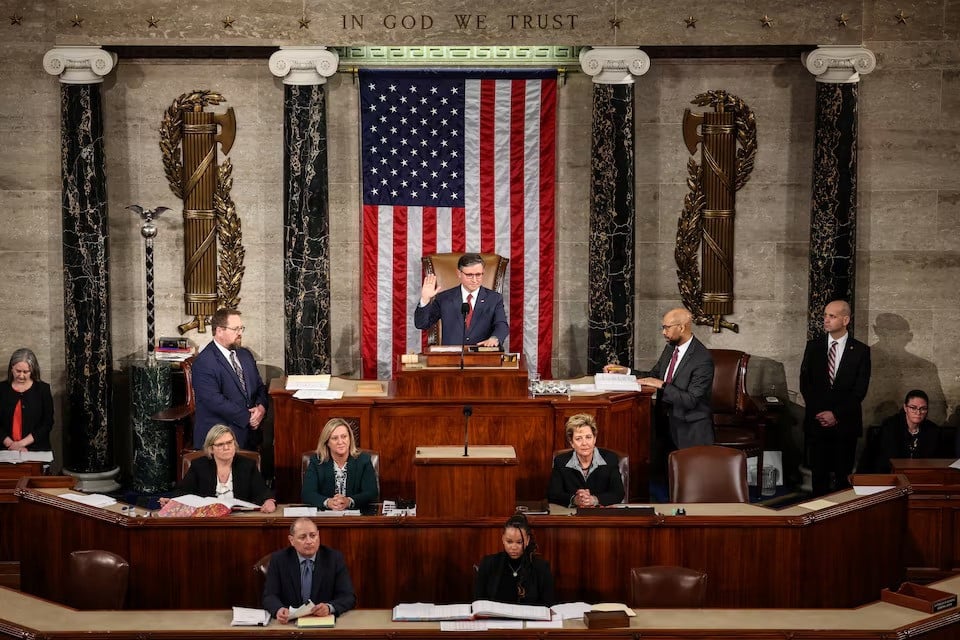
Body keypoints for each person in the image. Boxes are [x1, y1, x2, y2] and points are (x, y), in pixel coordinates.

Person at [800, 299, 871, 496]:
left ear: (845, 319)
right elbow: (805, 384)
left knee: (843, 480)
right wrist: (821, 414)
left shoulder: (860, 351)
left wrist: (836, 414)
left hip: (845, 425)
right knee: (818, 478)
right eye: (825, 315)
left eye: (832, 316)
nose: (826, 320)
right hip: (817, 423)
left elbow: (859, 390)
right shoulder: (813, 347)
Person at [191, 308, 269, 450]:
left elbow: (259, 387)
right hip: (219, 437)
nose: (240, 333)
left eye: (241, 328)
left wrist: (261, 409)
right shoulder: (204, 362)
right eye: (235, 329)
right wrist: (248, 417)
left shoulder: (245, 355)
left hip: (251, 434)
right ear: (219, 330)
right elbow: (214, 401)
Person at [164, 424, 276, 512]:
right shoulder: (199, 466)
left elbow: (263, 493)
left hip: (240, 520)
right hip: (208, 520)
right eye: (220, 444)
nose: (226, 447)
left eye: (229, 443)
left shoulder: (247, 465)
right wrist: (172, 502)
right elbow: (181, 493)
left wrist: (269, 502)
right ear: (211, 448)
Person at [263, 517, 356, 623]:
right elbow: (270, 596)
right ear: (292, 540)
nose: (309, 541)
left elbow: (348, 596)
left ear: (318, 536)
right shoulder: (279, 559)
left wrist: (329, 607)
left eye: (313, 536)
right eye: (302, 537)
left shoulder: (333, 558)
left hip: (322, 621)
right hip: (290, 623)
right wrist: (278, 609)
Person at [414, 253, 508, 347]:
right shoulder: (444, 298)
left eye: (478, 275)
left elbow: (501, 324)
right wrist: (425, 299)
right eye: (469, 275)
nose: (474, 280)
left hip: (482, 356)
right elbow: (422, 324)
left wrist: (495, 338)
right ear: (459, 273)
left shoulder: (494, 299)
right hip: (451, 358)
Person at [474, 513, 554, 606]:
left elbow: (548, 605)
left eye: (519, 542)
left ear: (527, 540)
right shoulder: (488, 564)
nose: (514, 547)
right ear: (503, 539)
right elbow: (478, 603)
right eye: (509, 542)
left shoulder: (541, 568)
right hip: (495, 619)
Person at [547, 413, 624, 507]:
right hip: (572, 516)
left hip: (601, 515)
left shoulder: (610, 459)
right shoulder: (561, 461)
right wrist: (574, 499)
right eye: (578, 439)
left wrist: (594, 500)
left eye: (588, 437)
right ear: (571, 443)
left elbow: (618, 493)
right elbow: (553, 495)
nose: (584, 443)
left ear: (594, 439)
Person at [302, 418, 378, 511]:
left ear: (350, 438)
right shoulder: (317, 461)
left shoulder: (363, 460)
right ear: (327, 442)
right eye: (334, 438)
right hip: (325, 517)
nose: (340, 442)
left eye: (344, 436)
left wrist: (349, 501)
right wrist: (328, 502)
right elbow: (307, 493)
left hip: (357, 517)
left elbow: (371, 492)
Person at [1, 348, 54, 452]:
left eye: (26, 372)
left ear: (32, 370)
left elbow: (47, 423)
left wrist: (21, 444)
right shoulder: (1, 389)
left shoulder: (43, 390)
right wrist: (10, 444)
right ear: (12, 368)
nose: (21, 376)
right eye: (18, 371)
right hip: (4, 449)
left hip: (36, 449)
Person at [874, 390, 940, 473]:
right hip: (891, 476)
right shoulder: (891, 427)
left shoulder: (932, 430)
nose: (918, 412)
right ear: (905, 408)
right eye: (913, 408)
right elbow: (885, 461)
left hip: (922, 476)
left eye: (923, 408)